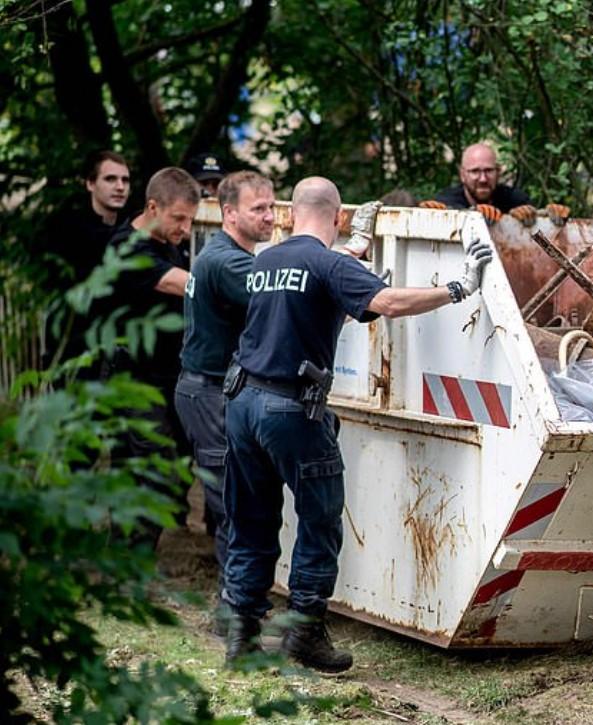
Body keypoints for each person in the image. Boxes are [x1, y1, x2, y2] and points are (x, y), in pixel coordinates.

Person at [221, 177, 492, 673]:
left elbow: (305, 311)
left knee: (252, 520)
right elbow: (387, 303)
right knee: (319, 520)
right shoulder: (328, 264)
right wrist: (459, 287)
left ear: (289, 214)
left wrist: (352, 277)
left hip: (241, 403)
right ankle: (302, 633)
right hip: (288, 410)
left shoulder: (266, 261)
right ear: (339, 216)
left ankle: (241, 635)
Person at [173, 171, 275, 623]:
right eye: (259, 209)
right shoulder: (229, 263)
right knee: (231, 507)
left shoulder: (223, 254)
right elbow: (282, 293)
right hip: (209, 392)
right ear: (229, 213)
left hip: (211, 390)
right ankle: (233, 613)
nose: (270, 216)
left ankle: (237, 606)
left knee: (234, 504)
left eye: (273, 207)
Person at [107, 167, 201, 544]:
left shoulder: (168, 243)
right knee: (152, 466)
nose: (185, 228)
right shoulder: (127, 247)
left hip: (168, 375)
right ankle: (131, 558)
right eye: (179, 218)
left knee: (166, 465)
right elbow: (180, 284)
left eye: (191, 220)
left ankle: (127, 553)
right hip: (133, 377)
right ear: (152, 206)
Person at [42, 151, 132, 364]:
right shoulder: (66, 230)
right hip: (75, 352)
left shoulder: (130, 230)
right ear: (90, 184)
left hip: (117, 352)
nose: (120, 186)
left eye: (125, 180)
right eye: (110, 179)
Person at [421, 142, 569, 225]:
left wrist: (550, 215)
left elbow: (537, 224)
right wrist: (477, 213)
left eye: (489, 171)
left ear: (498, 172)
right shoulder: (447, 199)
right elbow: (446, 212)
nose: (483, 179)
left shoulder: (514, 198)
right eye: (475, 171)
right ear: (462, 175)